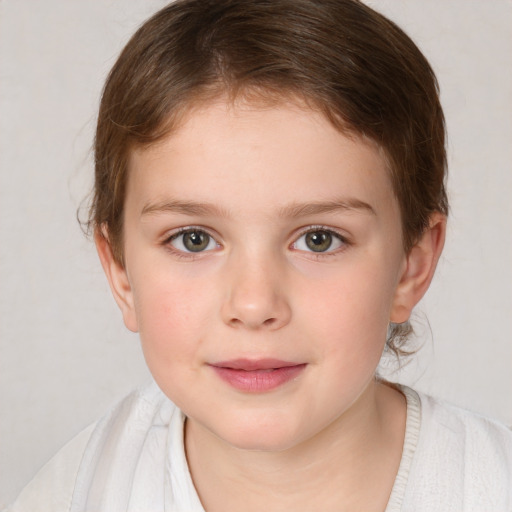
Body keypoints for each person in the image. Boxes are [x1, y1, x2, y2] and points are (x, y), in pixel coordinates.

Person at [6, 0, 512, 511]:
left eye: (319, 239)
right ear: (120, 271)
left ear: (411, 266)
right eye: (193, 239)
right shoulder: (70, 497)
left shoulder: (492, 486)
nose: (254, 304)